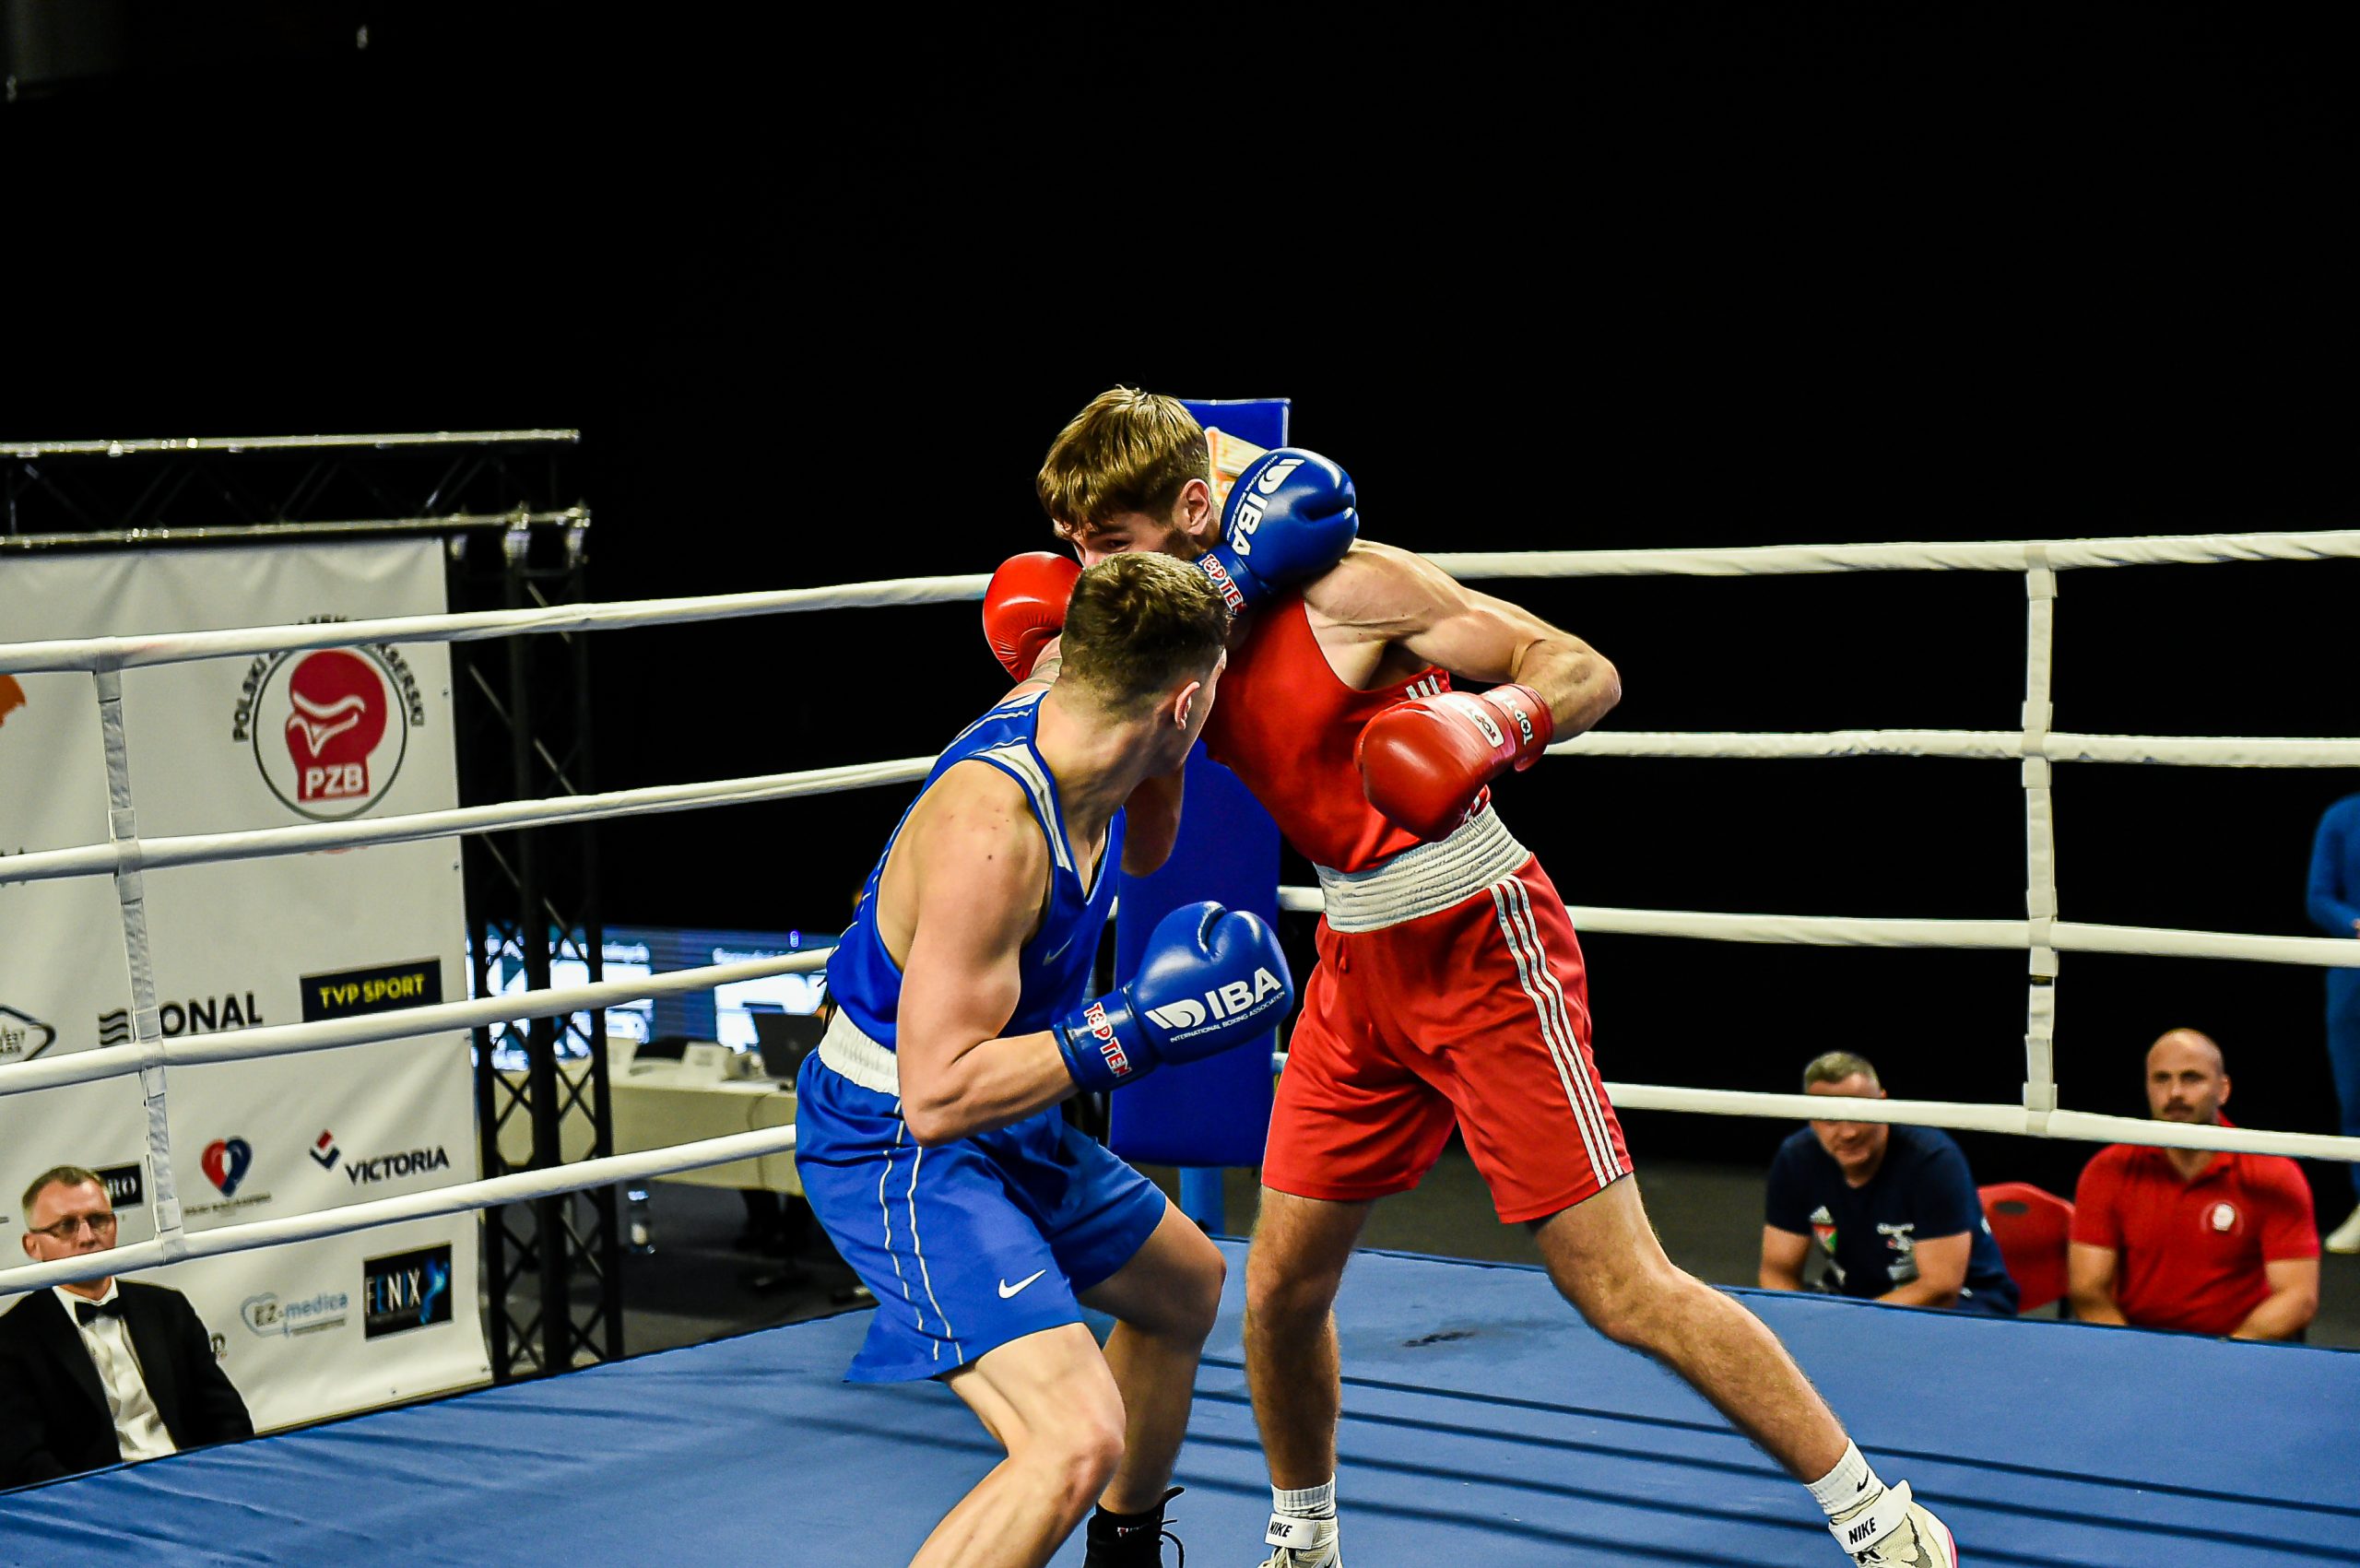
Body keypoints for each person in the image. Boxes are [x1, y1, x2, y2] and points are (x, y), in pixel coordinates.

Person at [1029, 388, 1957, 1568]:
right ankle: (1304, 1541)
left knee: (1618, 1286)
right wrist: (1127, 722)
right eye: (1075, 549)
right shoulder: (1179, 641)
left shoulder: (1348, 589)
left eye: (1109, 541)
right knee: (1280, 1290)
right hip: (1355, 968)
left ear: (1195, 510)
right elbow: (1154, 846)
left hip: (1479, 941)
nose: (1091, 572)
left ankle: (1878, 1516)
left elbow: (1580, 667)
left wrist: (1489, 726)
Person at [795, 551, 1295, 1568]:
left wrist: (1173, 732)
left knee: (1185, 1286)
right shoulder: (996, 834)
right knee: (1071, 1441)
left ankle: (1125, 1553)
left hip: (1006, 1114)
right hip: (894, 1138)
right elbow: (937, 1098)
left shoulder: (1093, 716)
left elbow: (1146, 853)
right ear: (1187, 701)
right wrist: (1129, 1029)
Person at [0, 1165, 254, 1487]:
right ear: (32, 1246)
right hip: (97, 1501)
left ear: (115, 1225)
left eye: (98, 1220)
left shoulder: (167, 1308)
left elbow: (228, 1417)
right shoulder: (11, 1339)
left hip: (196, 1482)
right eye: (66, 1226)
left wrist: (220, 1480)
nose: (87, 1237)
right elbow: (24, 1460)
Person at [2068, 1028, 2319, 1339]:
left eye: (2191, 1078)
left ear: (2223, 1090)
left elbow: (2298, 1297)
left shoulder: (2273, 1174)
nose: (2174, 1093)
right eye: (2161, 1079)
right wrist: (2129, 1354)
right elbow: (2088, 1290)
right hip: (2135, 1346)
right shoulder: (2108, 1169)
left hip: (2238, 1349)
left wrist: (2221, 1357)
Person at [1760, 1052, 2018, 1315]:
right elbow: (1777, 1272)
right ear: (1810, 1118)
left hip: (1962, 1301)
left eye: (1860, 1113)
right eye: (1830, 1118)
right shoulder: (1796, 1159)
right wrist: (1795, 1320)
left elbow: (1940, 1288)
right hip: (1855, 1298)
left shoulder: (1932, 1160)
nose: (1848, 1132)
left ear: (1883, 1104)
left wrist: (1848, 1323)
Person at [2307, 791, 2360, 1253]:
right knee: (2356, 1094)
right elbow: (2319, 897)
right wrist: (2357, 923)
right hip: (2353, 975)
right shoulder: (2342, 816)